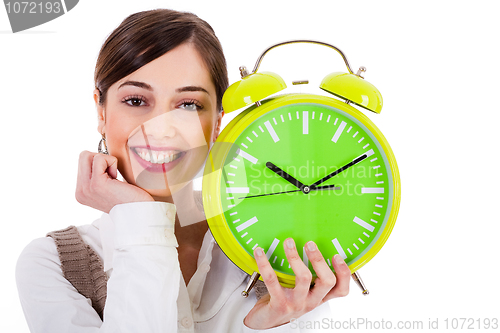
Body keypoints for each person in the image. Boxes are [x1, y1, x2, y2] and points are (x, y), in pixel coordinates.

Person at [15, 8, 351, 332]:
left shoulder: (279, 247)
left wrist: (265, 328)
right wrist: (139, 215)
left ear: (217, 124)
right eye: (136, 101)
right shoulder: (52, 263)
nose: (161, 130)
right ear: (101, 113)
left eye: (189, 105)